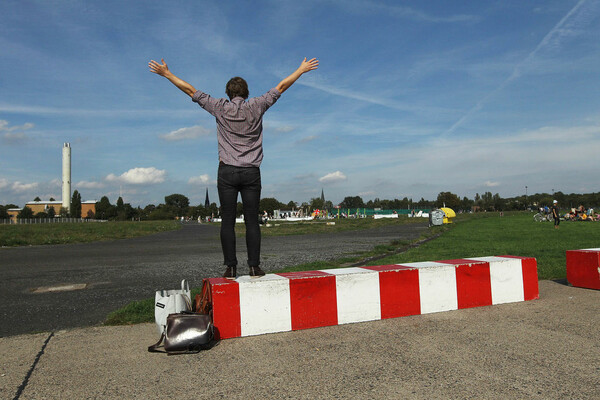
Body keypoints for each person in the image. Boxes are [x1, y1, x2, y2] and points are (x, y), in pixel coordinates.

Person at [149, 57, 319, 279]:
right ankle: (254, 267)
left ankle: (230, 268)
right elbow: (281, 87)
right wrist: (301, 70)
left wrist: (167, 74)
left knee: (227, 221)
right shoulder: (257, 105)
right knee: (251, 220)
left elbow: (191, 90)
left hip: (227, 171)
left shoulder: (219, 107)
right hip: (251, 172)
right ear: (246, 93)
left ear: (229, 93)